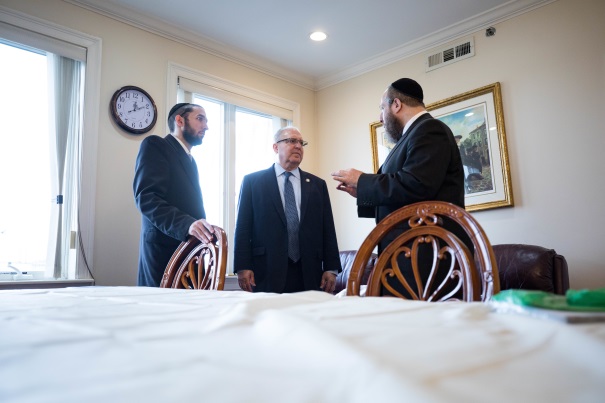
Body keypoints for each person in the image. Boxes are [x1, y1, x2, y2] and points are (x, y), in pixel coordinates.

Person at [331, 78, 467, 296]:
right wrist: (362, 191)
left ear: (396, 104)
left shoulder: (430, 130)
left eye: (381, 108)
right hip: (407, 254)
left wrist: (364, 180)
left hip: (425, 256)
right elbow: (402, 190)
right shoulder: (411, 137)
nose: (380, 117)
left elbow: (417, 184)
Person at [234, 126, 342, 293]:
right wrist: (242, 266)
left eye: (301, 142)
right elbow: (242, 227)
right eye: (291, 141)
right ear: (276, 147)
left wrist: (331, 267)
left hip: (309, 271)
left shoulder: (317, 185)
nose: (298, 146)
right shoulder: (253, 182)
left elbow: (328, 228)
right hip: (266, 270)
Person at [133, 103, 215, 287]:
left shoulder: (191, 161)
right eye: (200, 118)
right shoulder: (156, 145)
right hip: (163, 256)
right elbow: (147, 197)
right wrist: (187, 225)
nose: (206, 126)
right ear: (179, 120)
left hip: (189, 258)